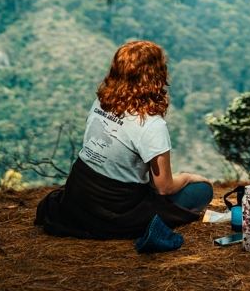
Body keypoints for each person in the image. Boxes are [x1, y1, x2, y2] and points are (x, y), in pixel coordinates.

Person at [35, 40, 213, 239]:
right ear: (157, 75)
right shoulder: (151, 124)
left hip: (78, 195)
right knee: (201, 190)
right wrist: (189, 177)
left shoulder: (101, 102)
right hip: (117, 208)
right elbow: (163, 188)